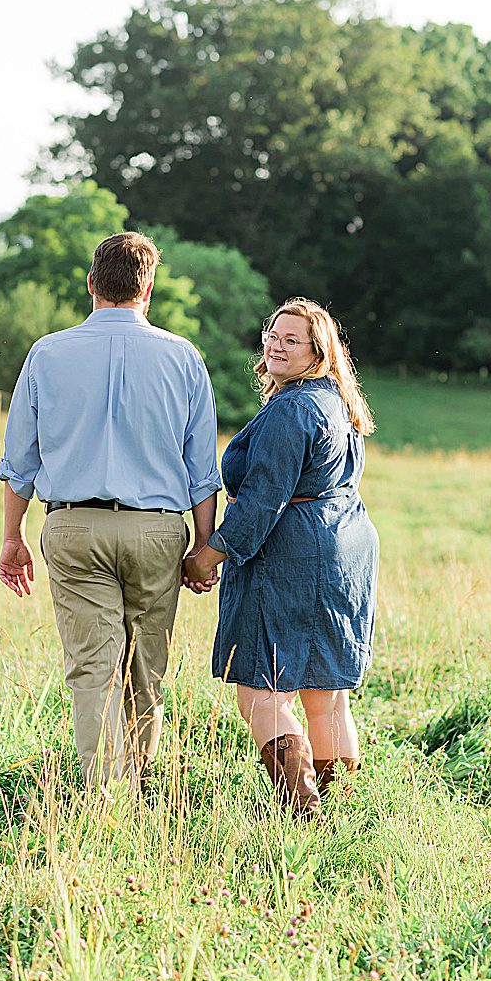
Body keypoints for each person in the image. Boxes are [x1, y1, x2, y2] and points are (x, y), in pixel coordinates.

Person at [0, 232, 222, 793]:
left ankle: (102, 797)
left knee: (93, 670)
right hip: (158, 531)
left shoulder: (47, 353)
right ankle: (142, 789)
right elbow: (201, 468)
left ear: (91, 284)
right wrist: (203, 545)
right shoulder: (184, 357)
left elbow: (20, 459)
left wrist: (12, 537)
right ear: (149, 289)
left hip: (73, 526)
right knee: (147, 667)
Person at [182, 297, 379, 822]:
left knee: (262, 692)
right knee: (325, 694)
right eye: (273, 334)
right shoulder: (335, 399)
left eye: (292, 340)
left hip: (294, 553)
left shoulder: (292, 409)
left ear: (318, 353)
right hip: (345, 545)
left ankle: (306, 814)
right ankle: (341, 817)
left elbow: (265, 497)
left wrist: (213, 551)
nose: (276, 345)